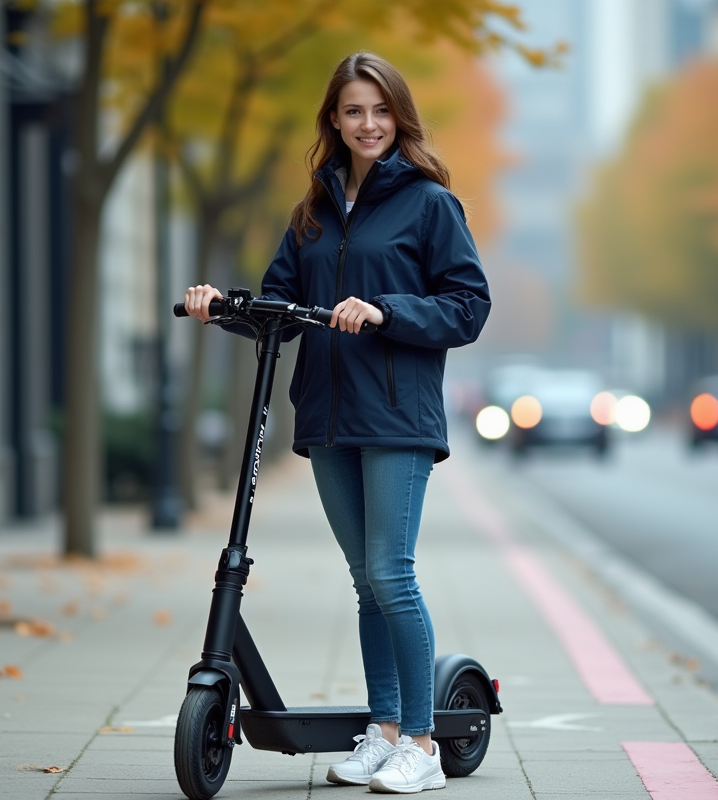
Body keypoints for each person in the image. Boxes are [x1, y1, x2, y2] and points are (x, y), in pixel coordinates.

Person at [184, 51, 490, 795]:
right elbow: (279, 309)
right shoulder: (312, 213)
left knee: (392, 573)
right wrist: (221, 306)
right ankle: (383, 730)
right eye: (353, 111)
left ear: (400, 116)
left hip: (396, 415)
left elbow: (468, 305)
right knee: (365, 582)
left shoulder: (430, 204)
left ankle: (420, 742)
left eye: (381, 110)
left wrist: (386, 310)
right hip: (326, 416)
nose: (369, 124)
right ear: (334, 120)